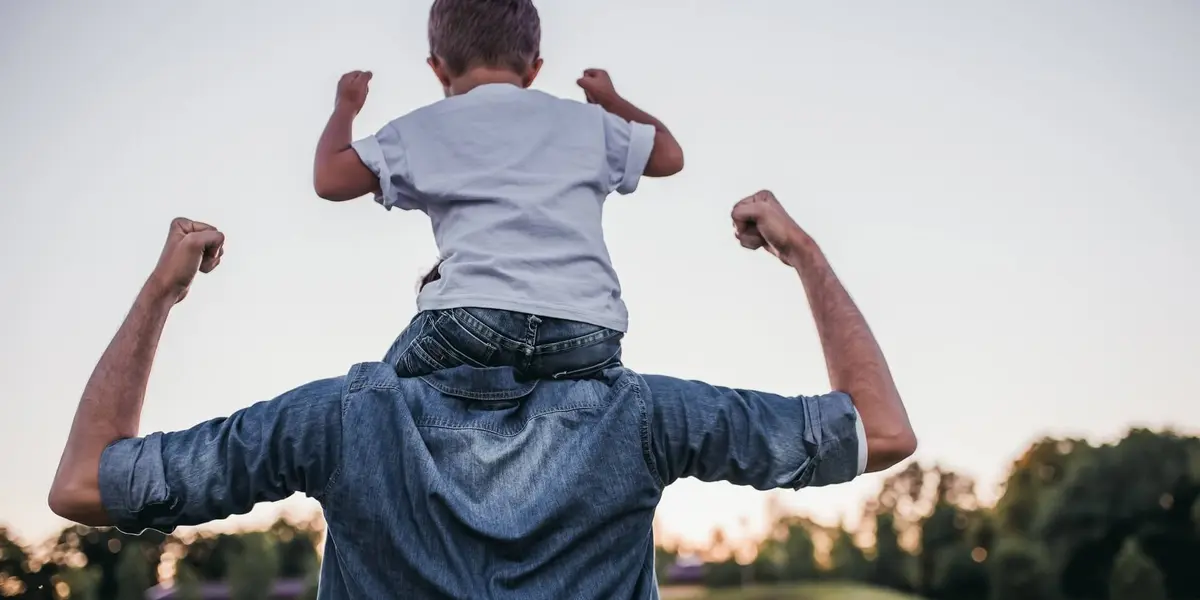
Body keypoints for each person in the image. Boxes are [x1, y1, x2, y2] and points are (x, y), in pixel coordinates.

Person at [48, 191, 917, 599]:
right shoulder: (641, 416)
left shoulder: (342, 421)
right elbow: (879, 430)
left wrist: (162, 292)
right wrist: (801, 251)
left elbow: (86, 483)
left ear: (434, 294)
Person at [311, 0, 685, 381]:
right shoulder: (588, 122)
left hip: (474, 321)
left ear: (437, 68)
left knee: (378, 394)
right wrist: (610, 100)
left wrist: (346, 106)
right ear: (534, 69)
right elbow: (669, 156)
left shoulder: (424, 128)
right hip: (588, 331)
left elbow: (330, 180)